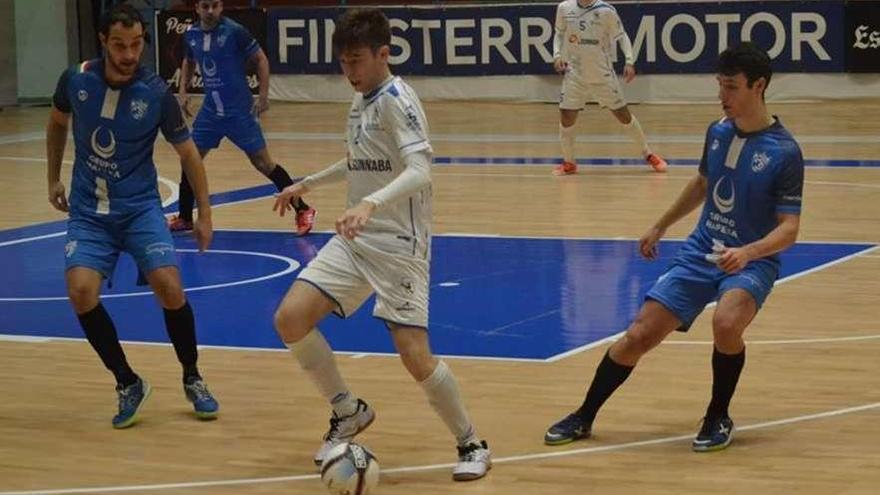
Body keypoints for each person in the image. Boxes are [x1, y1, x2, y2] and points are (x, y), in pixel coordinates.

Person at [544, 42, 804, 451]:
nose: (723, 96)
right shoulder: (717, 132)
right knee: (637, 336)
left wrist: (748, 253)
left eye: (731, 87)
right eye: (719, 85)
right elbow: (704, 183)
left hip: (750, 260)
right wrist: (661, 225)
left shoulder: (785, 152)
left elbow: (789, 230)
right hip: (701, 251)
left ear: (759, 86)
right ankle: (584, 416)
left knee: (726, 323)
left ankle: (718, 415)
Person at [271, 8, 492, 481]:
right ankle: (348, 410)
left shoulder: (397, 100)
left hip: (399, 244)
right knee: (290, 319)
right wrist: (306, 184)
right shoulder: (361, 100)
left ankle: (472, 442)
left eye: (355, 61)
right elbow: (359, 160)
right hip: (355, 239)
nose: (348, 72)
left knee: (414, 355)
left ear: (382, 54)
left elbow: (420, 171)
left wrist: (369, 204)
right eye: (343, 62)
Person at [46, 4, 219, 429]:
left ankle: (192, 376)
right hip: (89, 211)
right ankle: (127, 381)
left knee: (169, 287)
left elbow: (189, 154)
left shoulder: (155, 93)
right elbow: (56, 123)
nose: (129, 54)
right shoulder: (76, 79)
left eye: (137, 44)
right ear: (103, 41)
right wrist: (53, 177)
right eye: (120, 45)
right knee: (81, 292)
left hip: (140, 208)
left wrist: (204, 214)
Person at [168, 0, 316, 235]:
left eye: (215, 5)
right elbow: (189, 60)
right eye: (205, 6)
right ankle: (185, 217)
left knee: (263, 163)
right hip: (210, 112)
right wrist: (183, 91)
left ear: (221, 7)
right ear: (196, 8)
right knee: (189, 159)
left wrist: (264, 95)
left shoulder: (234, 31)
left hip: (239, 111)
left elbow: (261, 59)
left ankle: (303, 209)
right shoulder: (192, 34)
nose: (210, 11)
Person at [552, 0, 667, 175]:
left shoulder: (606, 11)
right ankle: (569, 162)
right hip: (574, 73)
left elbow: (622, 36)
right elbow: (559, 34)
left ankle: (648, 154)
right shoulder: (564, 8)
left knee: (623, 115)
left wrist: (629, 61)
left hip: (602, 75)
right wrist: (557, 55)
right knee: (566, 116)